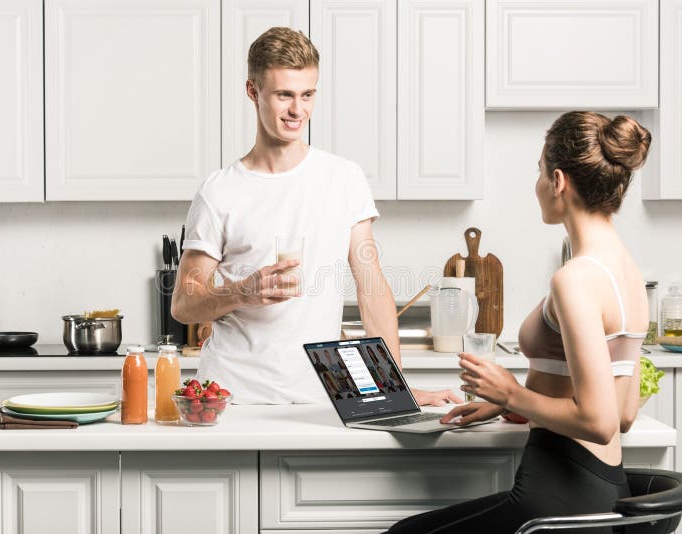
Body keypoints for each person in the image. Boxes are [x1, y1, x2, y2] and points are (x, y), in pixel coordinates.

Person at [385, 111, 652, 534]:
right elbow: (624, 414)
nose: (537, 185)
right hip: (600, 487)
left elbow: (599, 422)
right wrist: (507, 402)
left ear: (559, 181)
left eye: (540, 172)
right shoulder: (628, 272)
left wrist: (509, 392)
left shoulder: (576, 279)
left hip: (556, 498)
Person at [172, 27, 460, 406]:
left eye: (308, 95)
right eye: (284, 95)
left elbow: (371, 287)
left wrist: (396, 387)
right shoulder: (219, 191)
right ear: (253, 92)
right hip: (231, 396)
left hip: (321, 395)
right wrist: (243, 292)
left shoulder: (344, 179)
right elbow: (183, 303)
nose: (298, 110)